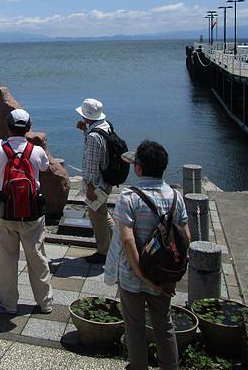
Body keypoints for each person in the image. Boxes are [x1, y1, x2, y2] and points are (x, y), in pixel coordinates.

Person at [103, 140, 189, 370]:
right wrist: (172, 274)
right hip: (163, 275)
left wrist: (141, 274)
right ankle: (170, 366)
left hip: (134, 275)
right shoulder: (175, 197)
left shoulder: (129, 197)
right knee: (164, 325)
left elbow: (128, 240)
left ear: (138, 168)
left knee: (134, 327)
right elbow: (185, 237)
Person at [0, 109, 54, 315]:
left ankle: (9, 304)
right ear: (28, 128)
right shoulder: (36, 151)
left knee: (6, 258)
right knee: (37, 257)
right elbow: (44, 168)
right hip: (33, 213)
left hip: (6, 211)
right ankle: (45, 303)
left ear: (7, 127)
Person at [76, 97, 115, 262]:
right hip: (107, 179)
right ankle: (115, 245)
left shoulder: (93, 136)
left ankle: (103, 252)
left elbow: (92, 164)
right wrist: (85, 130)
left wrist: (90, 188)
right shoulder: (106, 126)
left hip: (97, 184)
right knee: (102, 213)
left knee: (97, 217)